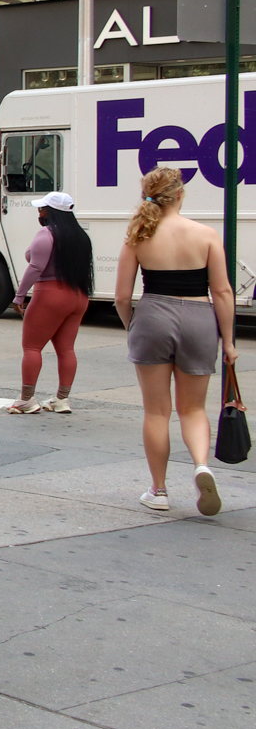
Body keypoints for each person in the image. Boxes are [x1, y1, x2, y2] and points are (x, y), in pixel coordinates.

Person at [114, 168, 237, 516]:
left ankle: (159, 490)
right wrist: (228, 341)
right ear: (180, 195)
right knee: (193, 408)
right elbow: (223, 291)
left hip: (153, 314)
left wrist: (132, 327)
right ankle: (201, 465)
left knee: (157, 411)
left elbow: (122, 297)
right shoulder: (206, 234)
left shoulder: (137, 236)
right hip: (200, 317)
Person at [8, 192, 93, 414]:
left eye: (42, 208)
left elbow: (35, 267)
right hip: (78, 296)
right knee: (66, 349)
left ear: (51, 212)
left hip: (50, 294)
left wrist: (19, 296)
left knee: (32, 347)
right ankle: (62, 399)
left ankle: (26, 399)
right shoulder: (81, 237)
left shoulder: (46, 235)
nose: (39, 212)